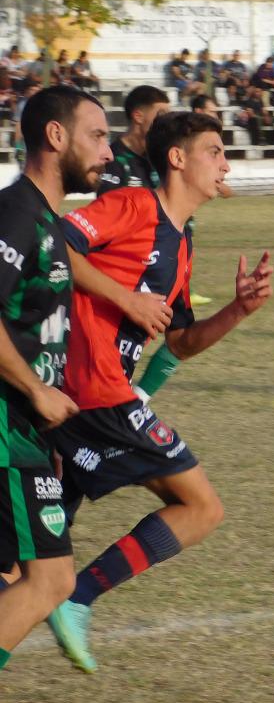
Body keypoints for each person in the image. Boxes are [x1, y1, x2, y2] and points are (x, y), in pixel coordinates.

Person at [43, 110, 274, 674]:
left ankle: (63, 596)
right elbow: (51, 244)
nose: (225, 163)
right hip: (91, 389)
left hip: (94, 397)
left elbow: (181, 342)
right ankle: (79, 597)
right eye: (215, 151)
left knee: (28, 559)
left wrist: (239, 310)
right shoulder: (133, 205)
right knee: (202, 507)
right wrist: (126, 299)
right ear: (177, 158)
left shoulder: (182, 241)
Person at [0, 86, 169, 673]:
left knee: (23, 576)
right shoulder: (17, 213)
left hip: (28, 434)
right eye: (96, 136)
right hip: (8, 428)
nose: (108, 150)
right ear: (55, 137)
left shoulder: (44, 221)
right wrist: (35, 390)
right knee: (50, 579)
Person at [98, 85, 169, 194]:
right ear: (138, 117)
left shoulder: (159, 157)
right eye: (161, 115)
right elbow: (106, 208)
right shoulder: (113, 160)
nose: (166, 121)